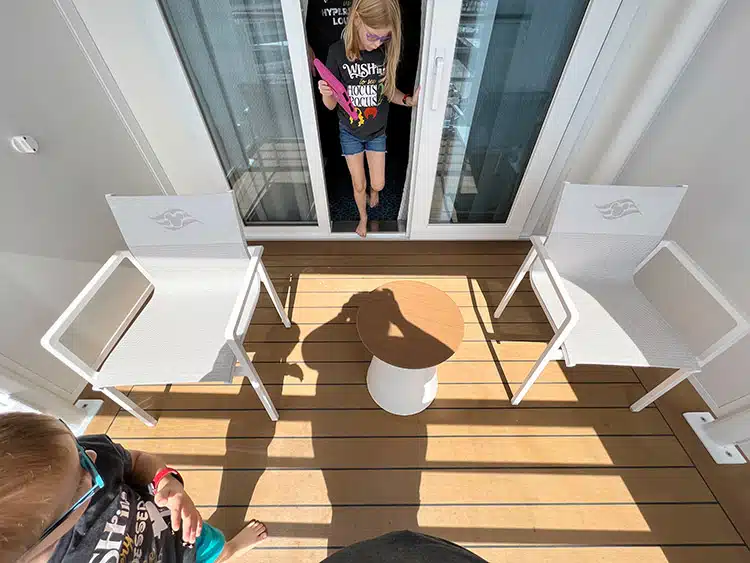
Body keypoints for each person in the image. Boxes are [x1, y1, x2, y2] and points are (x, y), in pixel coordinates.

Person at [0, 412, 267, 563]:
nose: (91, 456)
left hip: (178, 535)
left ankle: (230, 550)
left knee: (216, 547)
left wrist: (165, 479)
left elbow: (135, 461)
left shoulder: (82, 455)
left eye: (77, 446)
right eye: (84, 478)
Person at [318, 0, 420, 237]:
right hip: (350, 132)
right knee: (358, 184)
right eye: (372, 36)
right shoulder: (336, 52)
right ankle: (363, 218)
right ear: (356, 20)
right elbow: (331, 105)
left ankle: (374, 193)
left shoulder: (383, 53)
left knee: (379, 184)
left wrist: (408, 100)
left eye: (384, 38)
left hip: (377, 133)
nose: (377, 44)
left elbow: (388, 91)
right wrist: (327, 94)